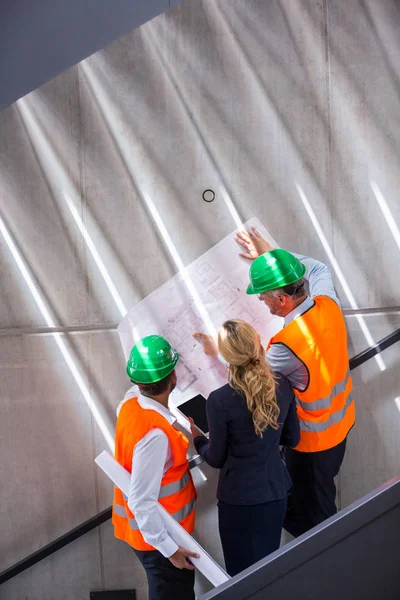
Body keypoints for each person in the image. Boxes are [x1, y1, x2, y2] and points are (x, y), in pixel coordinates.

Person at [194, 227, 355, 538]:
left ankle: (332, 567)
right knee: (316, 507)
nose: (263, 303)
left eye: (264, 297)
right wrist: (272, 257)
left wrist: (220, 349)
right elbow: (319, 268)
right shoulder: (327, 305)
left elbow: (256, 372)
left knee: (319, 521)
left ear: (281, 299)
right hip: (341, 428)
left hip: (312, 447)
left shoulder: (286, 346)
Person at [190, 319, 300, 576]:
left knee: (240, 576)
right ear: (257, 346)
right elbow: (292, 438)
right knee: (267, 570)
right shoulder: (281, 384)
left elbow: (215, 458)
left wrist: (198, 440)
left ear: (228, 358)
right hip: (275, 492)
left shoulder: (218, 400)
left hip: (238, 499)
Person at [112, 335, 199, 600]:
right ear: (173, 377)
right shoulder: (155, 436)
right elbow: (141, 501)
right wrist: (170, 550)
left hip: (150, 535)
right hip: (162, 540)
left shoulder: (129, 405)